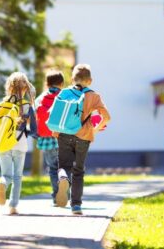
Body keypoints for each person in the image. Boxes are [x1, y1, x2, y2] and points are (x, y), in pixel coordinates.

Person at [55, 64, 110, 215]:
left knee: (63, 166)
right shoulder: (94, 96)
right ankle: (76, 206)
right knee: (78, 171)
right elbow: (107, 117)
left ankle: (63, 178)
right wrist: (95, 129)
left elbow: (54, 114)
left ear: (72, 79)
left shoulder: (64, 93)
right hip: (84, 137)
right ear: (90, 81)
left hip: (64, 135)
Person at [0, 72, 36, 215]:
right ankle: (13, 206)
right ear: (25, 88)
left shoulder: (3, 105)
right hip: (20, 143)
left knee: (6, 174)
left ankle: (2, 183)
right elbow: (33, 128)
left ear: (9, 88)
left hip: (3, 144)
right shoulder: (27, 106)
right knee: (17, 176)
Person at [34, 70, 65, 205]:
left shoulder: (41, 98)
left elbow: (33, 115)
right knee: (64, 166)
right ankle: (65, 191)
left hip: (47, 138)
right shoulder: (65, 95)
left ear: (46, 83)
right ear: (62, 83)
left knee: (52, 168)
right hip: (63, 136)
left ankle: (56, 196)